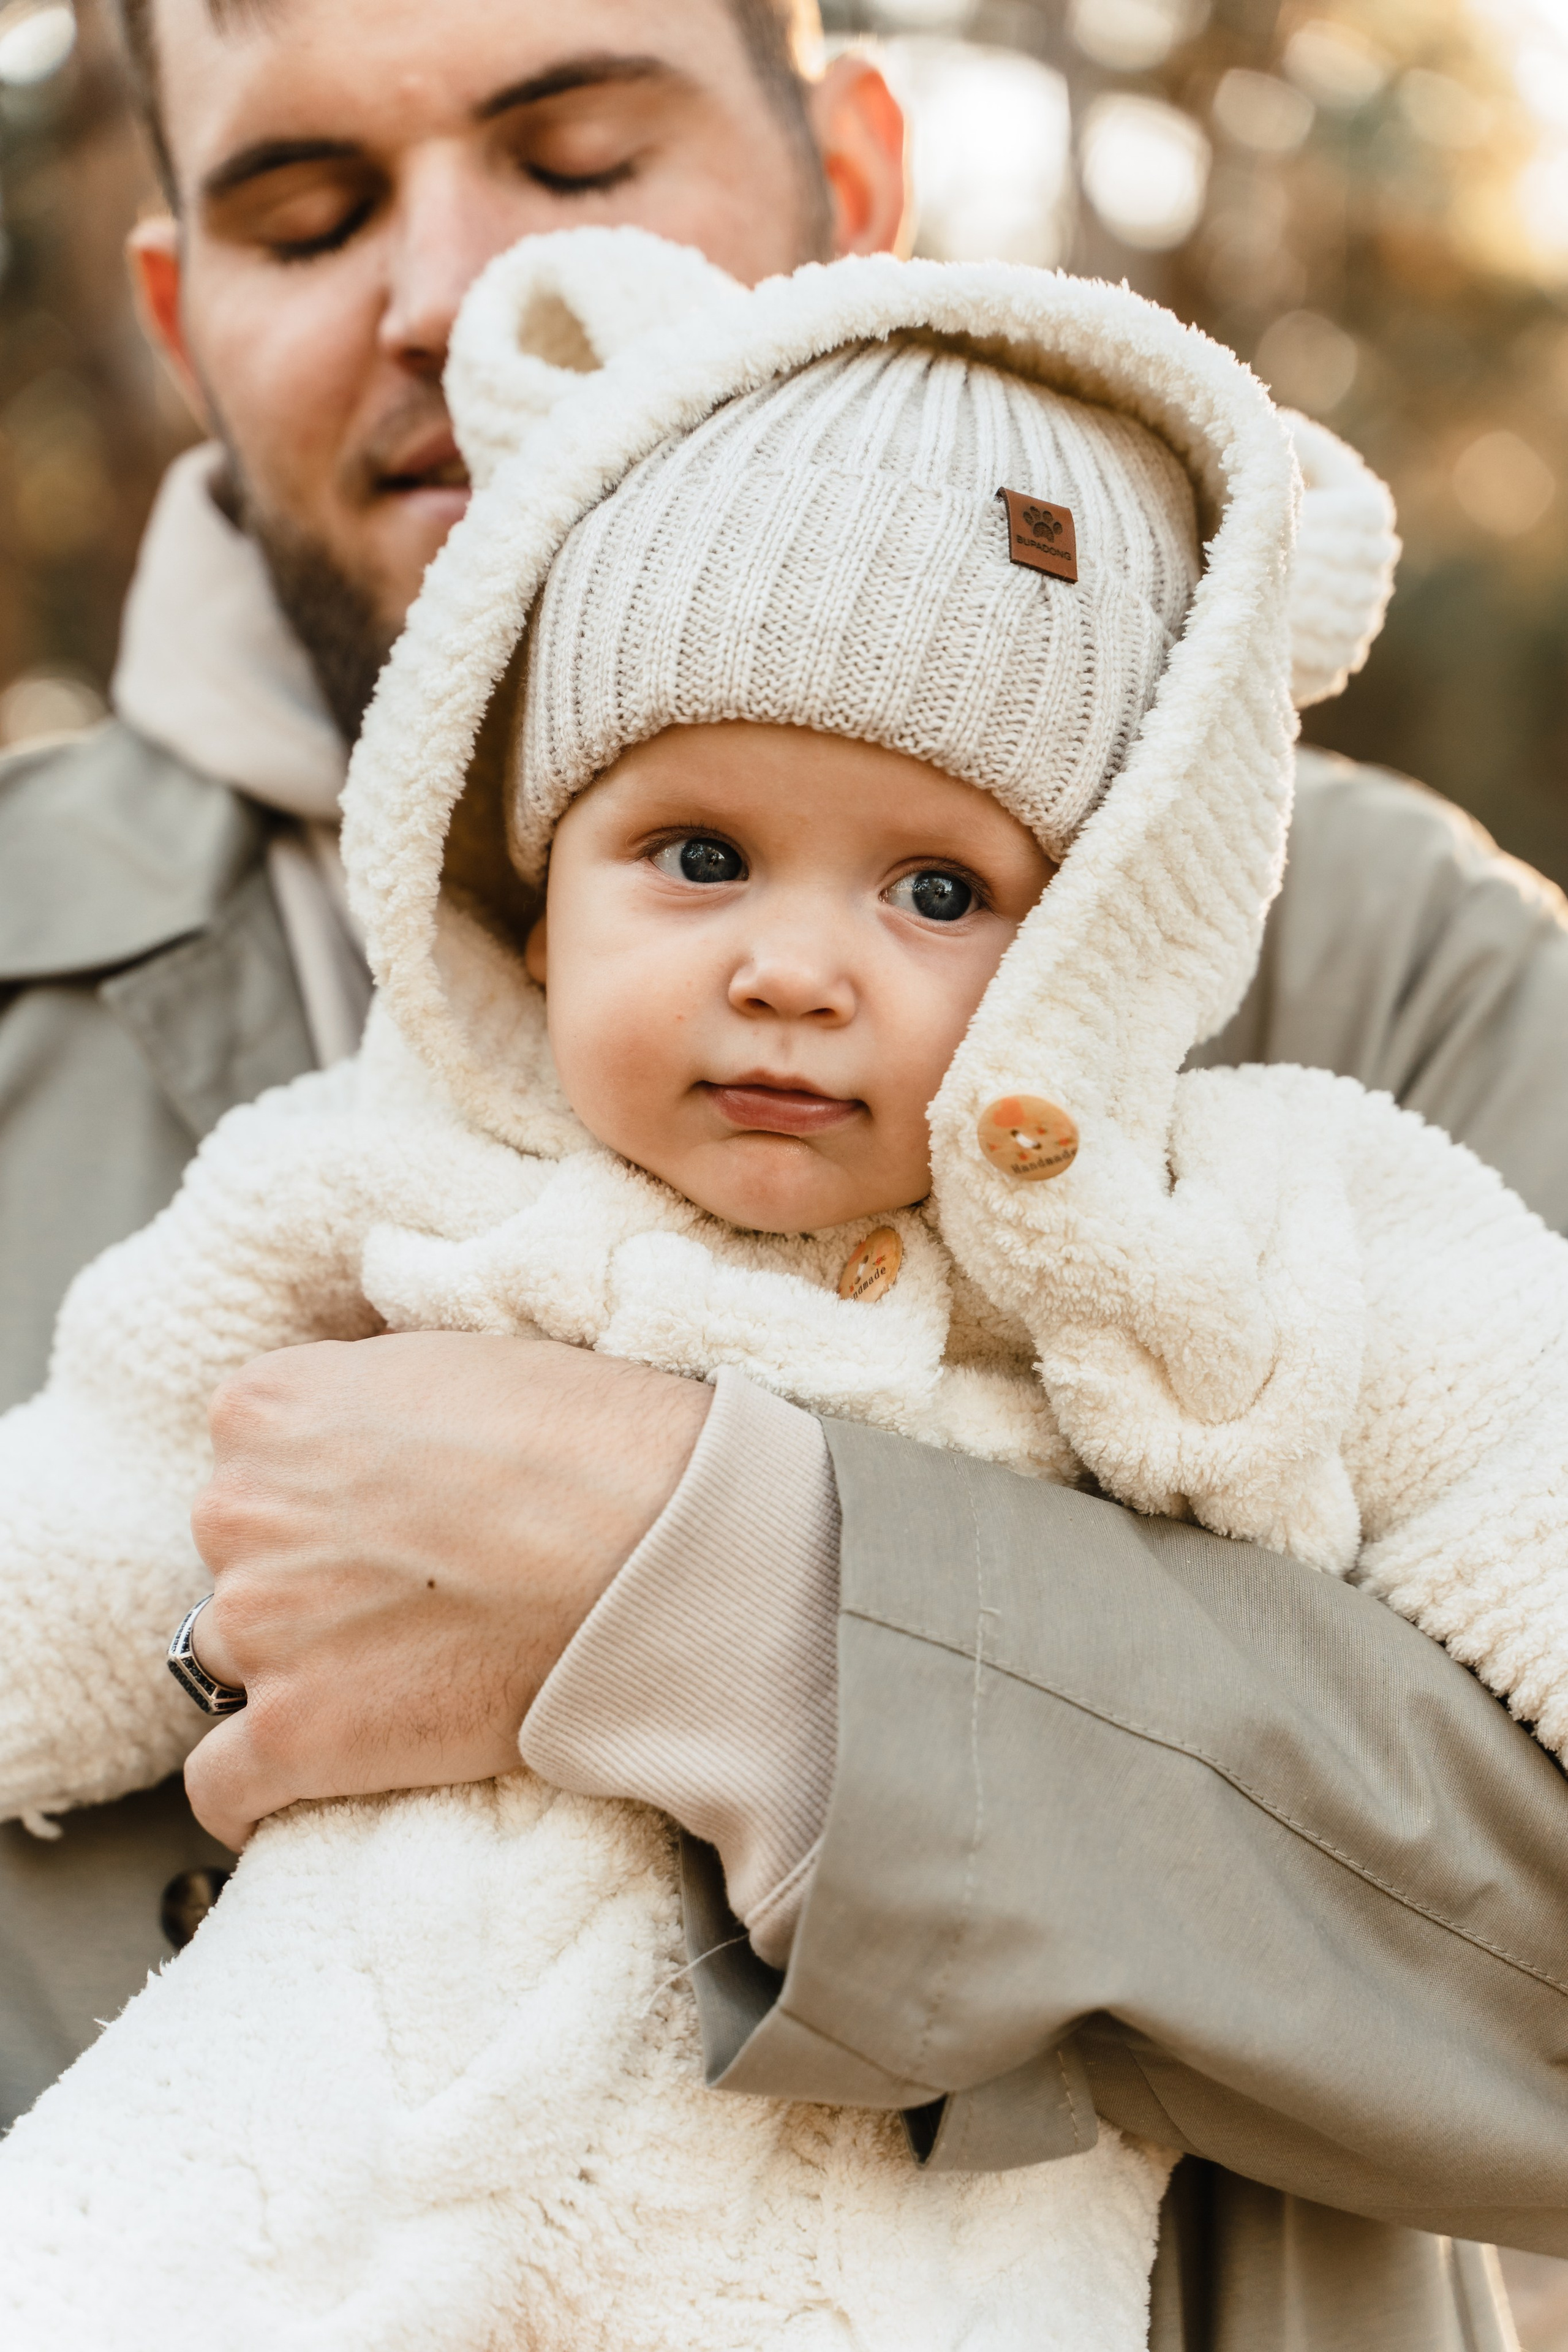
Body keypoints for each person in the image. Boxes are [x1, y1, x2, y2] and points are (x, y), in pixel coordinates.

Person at [3, 5, 1568, 2347]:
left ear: (849, 168)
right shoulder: (149, 1067)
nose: (434, 291)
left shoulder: (1380, 990)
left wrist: (745, 1602)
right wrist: (217, 1606)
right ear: (178, 311)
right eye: (306, 213)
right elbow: (92, 1514)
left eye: (579, 152)